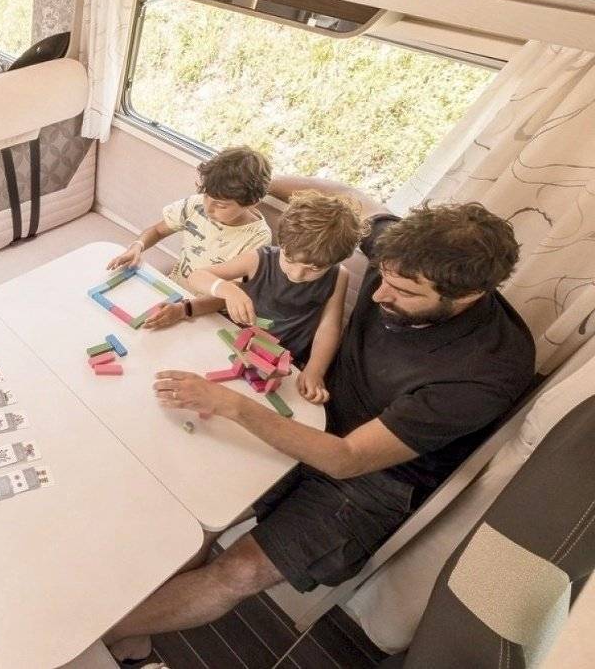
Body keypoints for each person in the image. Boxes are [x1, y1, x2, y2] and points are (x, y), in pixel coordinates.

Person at [105, 175, 535, 662]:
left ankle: (97, 636)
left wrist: (232, 405)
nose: (378, 296)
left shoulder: (487, 369)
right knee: (203, 513)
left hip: (374, 479)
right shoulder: (401, 247)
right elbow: (348, 201)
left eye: (402, 291)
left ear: (469, 295)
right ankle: (132, 635)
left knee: (239, 572)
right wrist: (252, 188)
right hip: (313, 410)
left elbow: (347, 459)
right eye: (383, 276)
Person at [184, 190, 365, 403]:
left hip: (283, 362)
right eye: (289, 259)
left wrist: (315, 370)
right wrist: (228, 290)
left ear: (335, 261)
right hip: (235, 346)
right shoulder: (258, 259)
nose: (297, 274)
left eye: (314, 268)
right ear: (282, 243)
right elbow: (196, 276)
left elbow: (329, 328)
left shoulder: (338, 276)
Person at [107, 146, 273, 329]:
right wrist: (137, 246)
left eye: (221, 205)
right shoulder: (195, 205)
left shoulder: (258, 238)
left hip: (208, 312)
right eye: (206, 196)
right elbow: (158, 230)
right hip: (173, 290)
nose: (208, 208)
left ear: (252, 202)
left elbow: (231, 293)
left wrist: (183, 310)